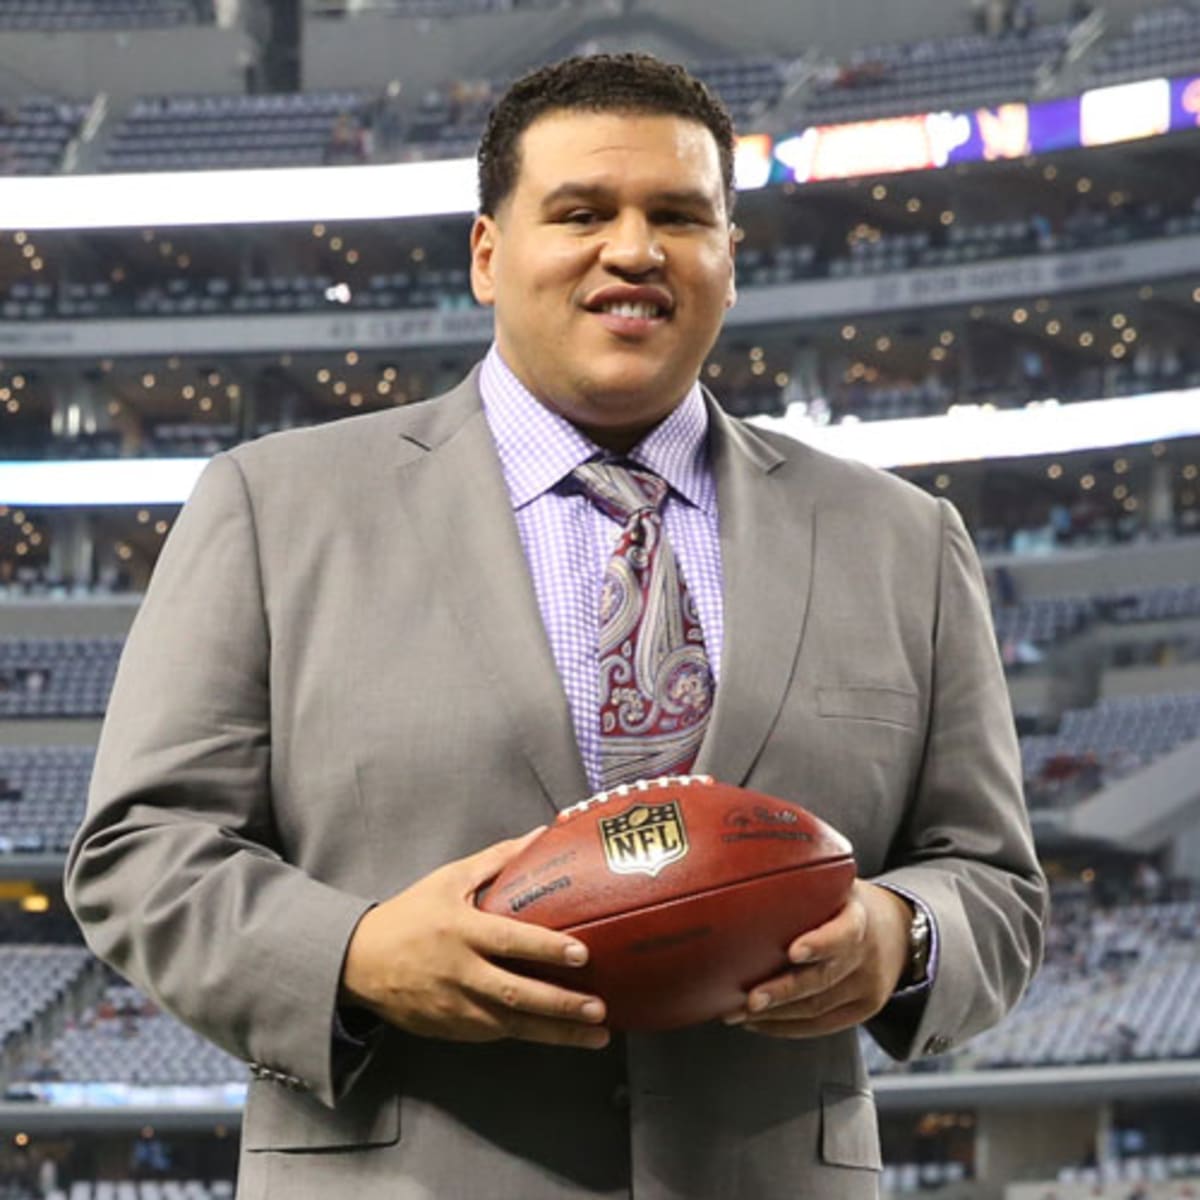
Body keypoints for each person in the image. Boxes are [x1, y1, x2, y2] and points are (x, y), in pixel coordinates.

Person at [65, 53, 1047, 1199]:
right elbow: (141, 850)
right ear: (488, 255)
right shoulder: (276, 507)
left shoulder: (901, 538)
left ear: (730, 258)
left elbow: (995, 884)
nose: (634, 250)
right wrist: (356, 956)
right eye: (582, 212)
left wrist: (902, 933)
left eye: (679, 216)